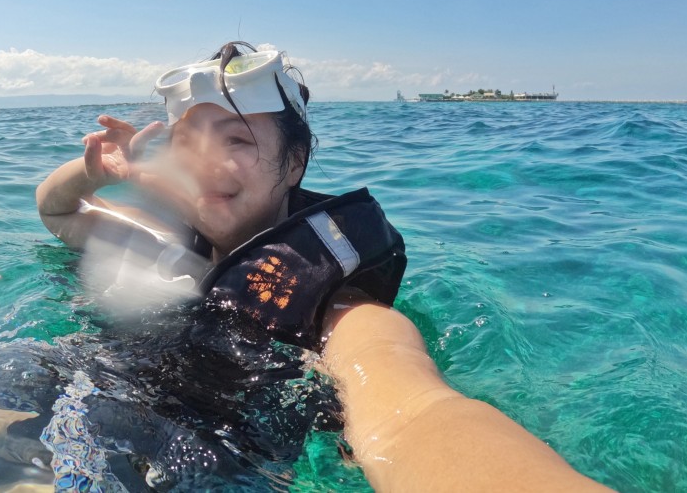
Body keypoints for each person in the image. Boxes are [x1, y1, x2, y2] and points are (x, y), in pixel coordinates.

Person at [37, 41, 613, 492]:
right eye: (187, 140)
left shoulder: (338, 312)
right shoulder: (160, 243)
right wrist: (101, 171)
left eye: (236, 139)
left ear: (294, 164)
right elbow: (56, 208)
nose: (205, 159)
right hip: (60, 402)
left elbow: (415, 415)